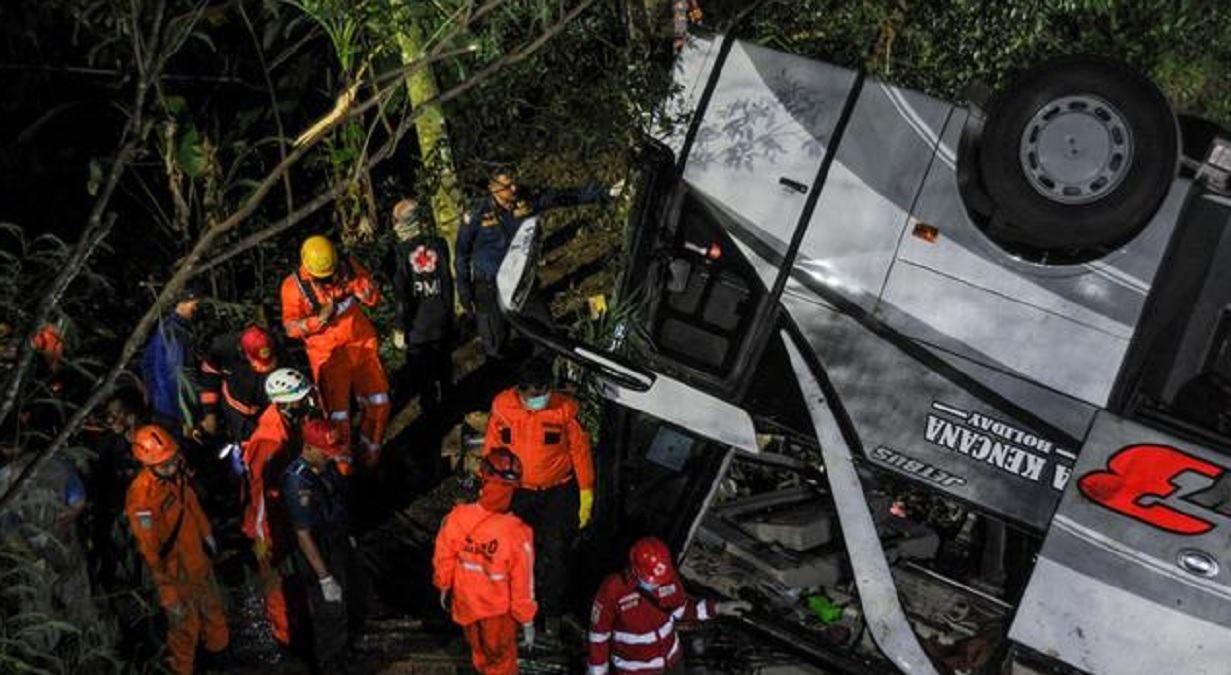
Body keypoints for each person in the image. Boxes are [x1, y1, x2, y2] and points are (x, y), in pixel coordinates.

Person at [482, 358, 593, 641]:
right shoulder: (502, 408)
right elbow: (493, 450)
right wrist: (491, 493)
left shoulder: (564, 410)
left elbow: (580, 451)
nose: (540, 400)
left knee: (556, 553)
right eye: (534, 395)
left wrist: (586, 492)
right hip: (518, 493)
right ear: (520, 391)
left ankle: (553, 615)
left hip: (558, 492)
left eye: (544, 392)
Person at [456, 172, 621, 357]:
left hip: (520, 284)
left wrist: (606, 193)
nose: (514, 189)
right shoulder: (476, 212)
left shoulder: (525, 202)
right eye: (507, 186)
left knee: (546, 335)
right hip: (488, 286)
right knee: (496, 347)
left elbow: (561, 198)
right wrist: (465, 292)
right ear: (492, 188)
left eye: (514, 184)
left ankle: (544, 372)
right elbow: (461, 254)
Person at [125, 424, 229, 675]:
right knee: (184, 631)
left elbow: (190, 504)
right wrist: (167, 592)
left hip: (197, 561)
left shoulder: (176, 474)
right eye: (164, 465)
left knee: (215, 617)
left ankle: (217, 664)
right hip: (175, 573)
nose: (171, 467)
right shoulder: (142, 498)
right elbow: (148, 548)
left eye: (173, 460)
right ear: (147, 465)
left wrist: (207, 535)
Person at [281, 235, 390, 467]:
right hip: (327, 357)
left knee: (379, 403)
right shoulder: (294, 287)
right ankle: (343, 470)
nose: (330, 279)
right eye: (323, 277)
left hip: (361, 346)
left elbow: (373, 298)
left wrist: (363, 289)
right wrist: (318, 320)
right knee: (337, 419)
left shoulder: (348, 266)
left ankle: (371, 458)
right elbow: (290, 327)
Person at [433, 448, 537, 675]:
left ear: (483, 476)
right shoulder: (517, 534)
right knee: (501, 665)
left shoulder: (459, 517)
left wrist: (444, 585)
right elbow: (522, 585)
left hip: (466, 605)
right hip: (497, 616)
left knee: (479, 656)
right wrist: (527, 620)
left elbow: (444, 554)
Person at [239, 367, 318, 650]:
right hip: (269, 524)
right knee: (277, 582)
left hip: (285, 514)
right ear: (285, 402)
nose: (308, 402)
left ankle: (298, 626)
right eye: (302, 398)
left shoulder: (287, 426)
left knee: (293, 577)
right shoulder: (269, 442)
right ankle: (285, 639)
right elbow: (260, 494)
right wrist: (263, 537)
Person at [588, 537, 750, 674]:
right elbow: (598, 637)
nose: (658, 585)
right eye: (653, 581)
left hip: (673, 664)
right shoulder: (613, 589)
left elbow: (683, 609)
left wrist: (719, 608)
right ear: (634, 570)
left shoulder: (667, 576)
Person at [282, 418, 364, 673]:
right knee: (330, 614)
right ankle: (331, 665)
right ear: (308, 448)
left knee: (348, 604)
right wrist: (324, 577)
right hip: (318, 553)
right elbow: (303, 534)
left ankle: (344, 654)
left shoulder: (323, 467)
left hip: (336, 542)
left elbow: (336, 502)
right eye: (325, 453)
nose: (330, 457)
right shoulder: (297, 482)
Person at [0, 439, 95, 642]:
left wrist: (25, 546)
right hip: (58, 542)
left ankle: (55, 645)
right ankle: (83, 639)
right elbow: (78, 502)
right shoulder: (57, 465)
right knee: (72, 596)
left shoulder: (4, 477)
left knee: (39, 604)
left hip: (33, 551)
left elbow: (6, 525)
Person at [390, 198, 455, 417]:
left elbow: (402, 296)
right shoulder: (439, 243)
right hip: (441, 317)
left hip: (417, 325)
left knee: (423, 376)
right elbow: (447, 283)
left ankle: (432, 418)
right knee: (444, 368)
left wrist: (400, 327)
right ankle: (449, 406)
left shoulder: (400, 253)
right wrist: (451, 313)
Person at [199, 324, 281, 445]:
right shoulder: (223, 349)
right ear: (243, 351)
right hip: (236, 408)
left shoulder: (276, 345)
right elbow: (210, 378)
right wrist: (209, 412)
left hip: (268, 407)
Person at [140, 285, 203, 437]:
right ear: (182, 302)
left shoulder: (165, 327)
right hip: (174, 412)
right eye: (195, 304)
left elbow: (146, 363)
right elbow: (179, 378)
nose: (197, 309)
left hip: (160, 407)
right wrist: (187, 419)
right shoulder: (175, 333)